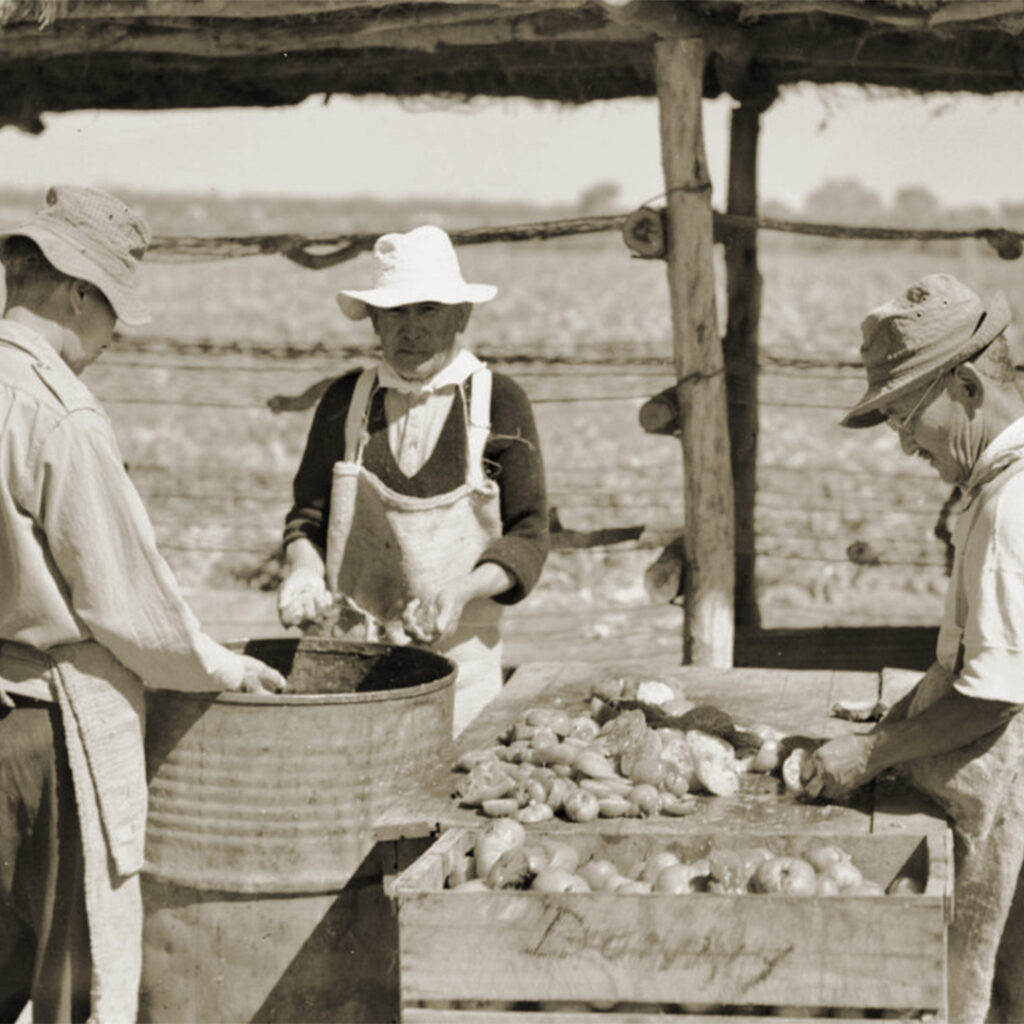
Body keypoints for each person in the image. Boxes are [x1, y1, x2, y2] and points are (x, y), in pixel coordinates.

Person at [0, 186, 287, 1024]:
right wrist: (218, 666)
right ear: (77, 293)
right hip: (40, 730)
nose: (116, 336)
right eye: (114, 311)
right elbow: (126, 605)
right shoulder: (56, 415)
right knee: (65, 983)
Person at [803, 273, 1024, 1023]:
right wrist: (896, 720)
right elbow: (973, 658)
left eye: (905, 416)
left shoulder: (1012, 509)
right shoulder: (994, 488)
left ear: (965, 385)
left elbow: (995, 694)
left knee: (1000, 988)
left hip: (1011, 809)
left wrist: (871, 754)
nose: (902, 445)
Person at [278, 225, 548, 734]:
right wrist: (302, 573)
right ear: (374, 321)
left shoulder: (499, 402)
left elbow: (529, 537)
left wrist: (462, 592)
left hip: (461, 678)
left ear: (461, 315)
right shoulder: (346, 401)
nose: (411, 328)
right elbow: (307, 520)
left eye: (428, 309)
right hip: (351, 671)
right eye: (396, 312)